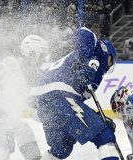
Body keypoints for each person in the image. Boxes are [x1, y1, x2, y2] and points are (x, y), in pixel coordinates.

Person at [30, 27, 120, 160]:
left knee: (61, 148)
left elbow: (75, 107)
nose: (108, 67)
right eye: (111, 61)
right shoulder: (99, 52)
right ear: (110, 55)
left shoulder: (81, 59)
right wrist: (88, 64)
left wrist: (97, 118)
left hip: (43, 101)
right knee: (105, 136)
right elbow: (83, 32)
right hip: (59, 95)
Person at [0, 35, 50, 160]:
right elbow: (27, 105)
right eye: (42, 55)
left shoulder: (15, 63)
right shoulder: (22, 68)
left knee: (18, 131)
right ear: (32, 54)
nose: (44, 59)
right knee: (3, 143)